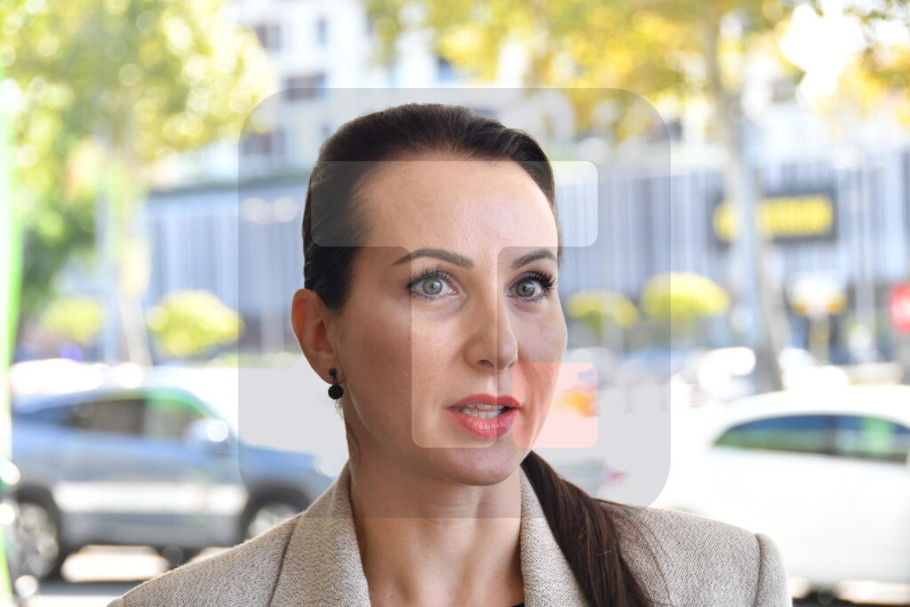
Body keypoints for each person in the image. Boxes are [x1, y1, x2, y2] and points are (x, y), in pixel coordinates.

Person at [109, 103, 792, 607]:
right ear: (321, 335)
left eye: (530, 285)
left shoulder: (726, 584)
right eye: (433, 284)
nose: (500, 345)